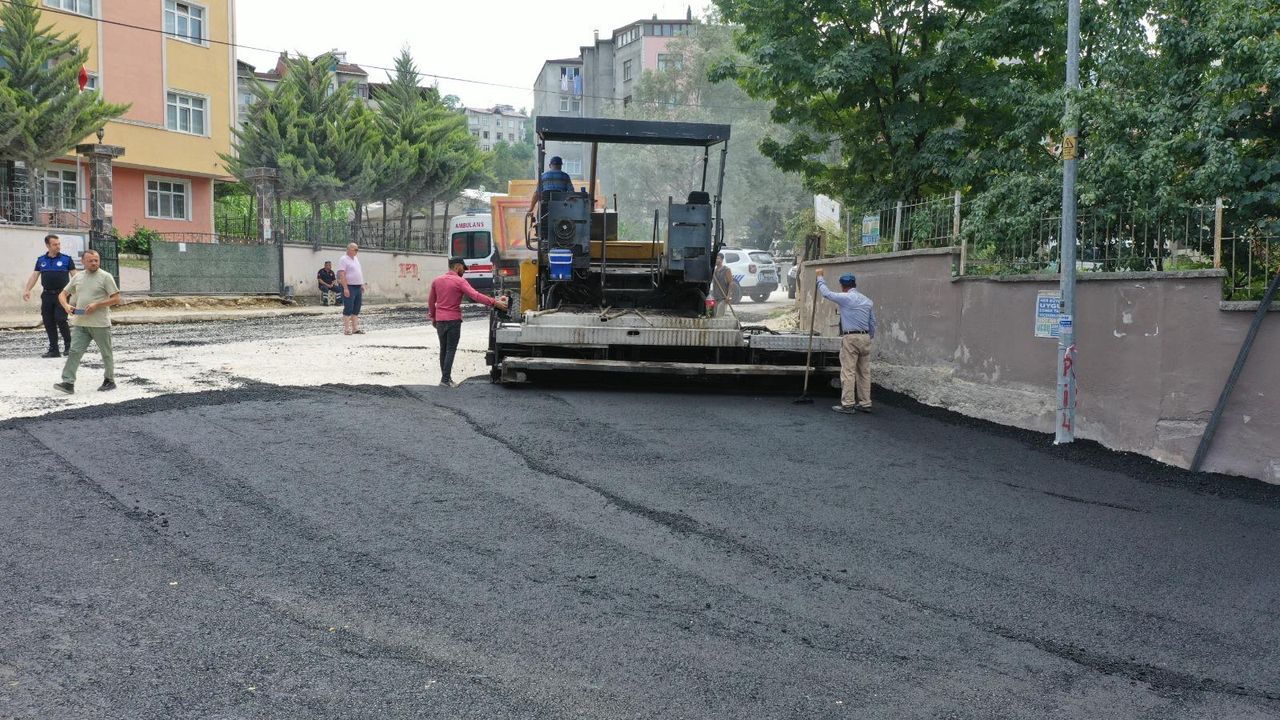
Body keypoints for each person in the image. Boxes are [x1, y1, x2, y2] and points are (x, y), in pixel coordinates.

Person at [428, 257, 508, 387]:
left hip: (440, 320)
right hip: (453, 320)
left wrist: (433, 317)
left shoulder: (437, 281)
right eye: (463, 269)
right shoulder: (459, 281)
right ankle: (445, 380)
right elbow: (475, 295)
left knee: (443, 349)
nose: (463, 271)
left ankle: (445, 378)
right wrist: (495, 302)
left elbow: (431, 301)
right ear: (457, 266)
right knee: (450, 349)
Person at [53, 249, 120, 394]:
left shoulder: (105, 277)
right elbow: (63, 294)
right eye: (90, 260)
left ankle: (109, 380)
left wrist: (97, 305)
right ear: (83, 262)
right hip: (81, 323)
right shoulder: (78, 277)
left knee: (106, 353)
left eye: (96, 260)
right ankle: (68, 382)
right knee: (74, 351)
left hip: (100, 323)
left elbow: (116, 298)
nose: (94, 263)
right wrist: (66, 306)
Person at [816, 268, 876, 414]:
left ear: (843, 286)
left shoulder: (845, 298)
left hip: (851, 337)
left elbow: (826, 293)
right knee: (864, 372)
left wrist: (820, 278)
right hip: (866, 337)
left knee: (848, 371)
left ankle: (848, 404)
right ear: (854, 284)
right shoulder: (867, 301)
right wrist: (869, 337)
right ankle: (865, 403)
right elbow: (873, 322)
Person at [22, 234, 77, 358]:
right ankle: (54, 349)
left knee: (61, 319)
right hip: (47, 295)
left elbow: (76, 277)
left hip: (62, 295)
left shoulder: (67, 259)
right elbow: (35, 276)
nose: (58, 246)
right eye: (55, 244)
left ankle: (69, 346)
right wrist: (27, 289)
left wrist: (79, 291)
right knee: (48, 321)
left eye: (59, 244)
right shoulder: (41, 260)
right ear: (48, 245)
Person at [337, 243, 364, 335]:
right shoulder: (343, 259)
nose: (357, 251)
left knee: (357, 307)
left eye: (357, 250)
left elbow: (358, 272)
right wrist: (345, 288)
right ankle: (346, 329)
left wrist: (361, 284)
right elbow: (342, 274)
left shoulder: (356, 259)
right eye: (355, 250)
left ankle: (355, 328)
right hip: (349, 286)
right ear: (349, 249)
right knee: (348, 307)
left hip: (357, 286)